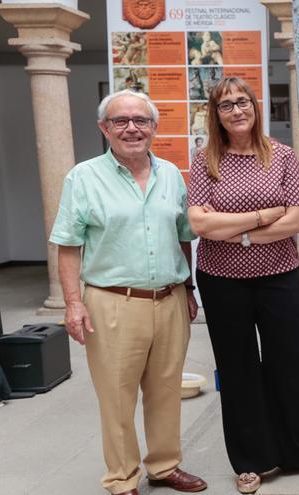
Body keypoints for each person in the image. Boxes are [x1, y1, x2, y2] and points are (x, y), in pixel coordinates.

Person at [50, 90, 207, 495]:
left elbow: (182, 236)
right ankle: (122, 479)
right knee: (116, 398)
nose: (132, 128)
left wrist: (188, 287)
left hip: (170, 299)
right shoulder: (83, 177)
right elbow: (68, 244)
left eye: (141, 120)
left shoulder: (171, 174)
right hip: (112, 303)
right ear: (104, 128)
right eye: (120, 121)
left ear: (154, 128)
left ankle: (165, 466)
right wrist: (73, 303)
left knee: (166, 390)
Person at [187, 77, 299, 494]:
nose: (237, 110)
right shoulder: (205, 160)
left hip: (279, 276)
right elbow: (200, 224)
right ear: (216, 115)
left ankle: (293, 452)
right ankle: (250, 460)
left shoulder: (283, 156)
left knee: (287, 365)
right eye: (226, 105)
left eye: (243, 102)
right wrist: (260, 218)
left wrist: (233, 231)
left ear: (255, 107)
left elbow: (296, 220)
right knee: (238, 371)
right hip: (222, 283)